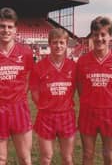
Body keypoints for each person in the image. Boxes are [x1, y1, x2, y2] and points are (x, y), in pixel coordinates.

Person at [77, 16, 112, 165]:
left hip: (110, 113)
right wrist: (89, 101)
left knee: (109, 156)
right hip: (88, 112)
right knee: (87, 155)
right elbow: (80, 87)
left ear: (110, 37)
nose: (99, 38)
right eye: (96, 35)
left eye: (103, 35)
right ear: (91, 36)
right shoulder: (82, 61)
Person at [29, 28, 77, 165]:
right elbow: (34, 93)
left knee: (67, 157)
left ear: (67, 44)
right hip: (46, 116)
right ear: (49, 44)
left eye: (62, 42)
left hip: (66, 115)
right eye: (55, 42)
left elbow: (74, 89)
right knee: (46, 157)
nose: (58, 46)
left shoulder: (73, 66)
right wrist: (47, 106)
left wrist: (62, 103)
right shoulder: (39, 67)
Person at [0, 7, 33, 165]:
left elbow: (28, 79)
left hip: (19, 109)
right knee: (1, 159)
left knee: (25, 158)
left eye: (9, 26)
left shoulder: (25, 52)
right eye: (2, 26)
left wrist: (18, 97)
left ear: (15, 29)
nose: (5, 30)